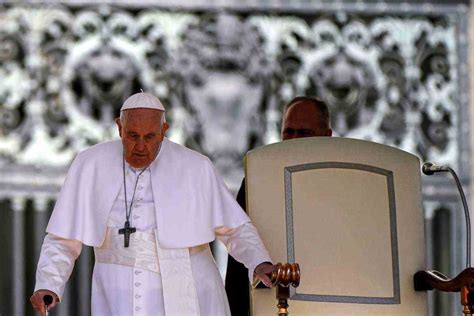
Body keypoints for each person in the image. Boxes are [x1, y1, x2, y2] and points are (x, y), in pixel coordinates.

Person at [30, 92, 274, 316]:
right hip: (117, 291)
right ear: (119, 128)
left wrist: (259, 261)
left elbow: (235, 227)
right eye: (132, 136)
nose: (140, 147)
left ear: (164, 130)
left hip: (190, 284)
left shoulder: (196, 167)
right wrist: (48, 284)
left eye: (149, 137)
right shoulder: (90, 164)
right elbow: (63, 237)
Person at [225, 96, 332, 316]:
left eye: (303, 133)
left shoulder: (343, 182)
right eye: (288, 132)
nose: (293, 139)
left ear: (327, 136)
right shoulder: (256, 180)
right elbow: (237, 261)